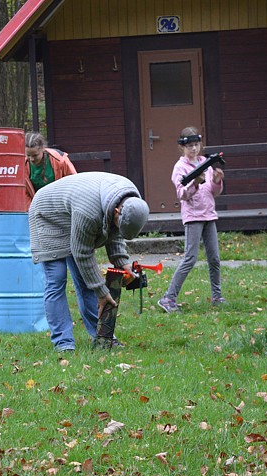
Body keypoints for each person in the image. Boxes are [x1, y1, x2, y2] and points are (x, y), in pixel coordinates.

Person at [29, 172, 150, 352]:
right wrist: (102, 292)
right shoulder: (89, 212)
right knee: (57, 279)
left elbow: (114, 231)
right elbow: (82, 253)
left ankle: (101, 336)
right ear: (117, 211)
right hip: (47, 213)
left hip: (72, 212)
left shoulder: (129, 199)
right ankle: (64, 343)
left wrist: (122, 262)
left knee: (87, 283)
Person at [158, 126, 225, 313]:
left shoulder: (206, 163)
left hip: (209, 215)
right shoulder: (179, 168)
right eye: (190, 146)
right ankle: (168, 298)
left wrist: (217, 180)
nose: (194, 149)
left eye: (196, 145)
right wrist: (195, 183)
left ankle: (217, 296)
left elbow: (214, 192)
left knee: (214, 259)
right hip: (193, 217)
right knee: (190, 258)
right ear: (182, 148)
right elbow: (182, 194)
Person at [24, 132, 77, 208]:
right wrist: (31, 211)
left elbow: (74, 182)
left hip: (61, 204)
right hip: (37, 207)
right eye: (28, 155)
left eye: (35, 155)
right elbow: (24, 193)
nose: (31, 159)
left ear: (43, 149)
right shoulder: (22, 166)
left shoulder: (60, 160)